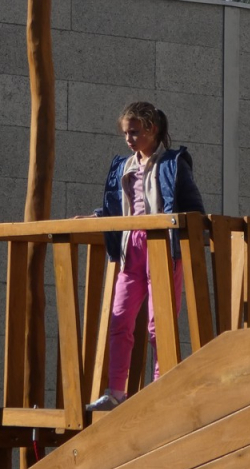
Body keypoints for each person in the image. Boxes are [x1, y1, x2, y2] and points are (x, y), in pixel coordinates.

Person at [87, 100, 204, 412]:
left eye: (135, 132)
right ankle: (116, 391)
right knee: (120, 318)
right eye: (127, 133)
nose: (129, 139)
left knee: (158, 323)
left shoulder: (172, 163)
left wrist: (188, 230)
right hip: (131, 247)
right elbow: (117, 205)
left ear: (152, 129)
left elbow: (193, 206)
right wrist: (97, 217)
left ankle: (160, 387)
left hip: (161, 245)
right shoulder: (124, 166)